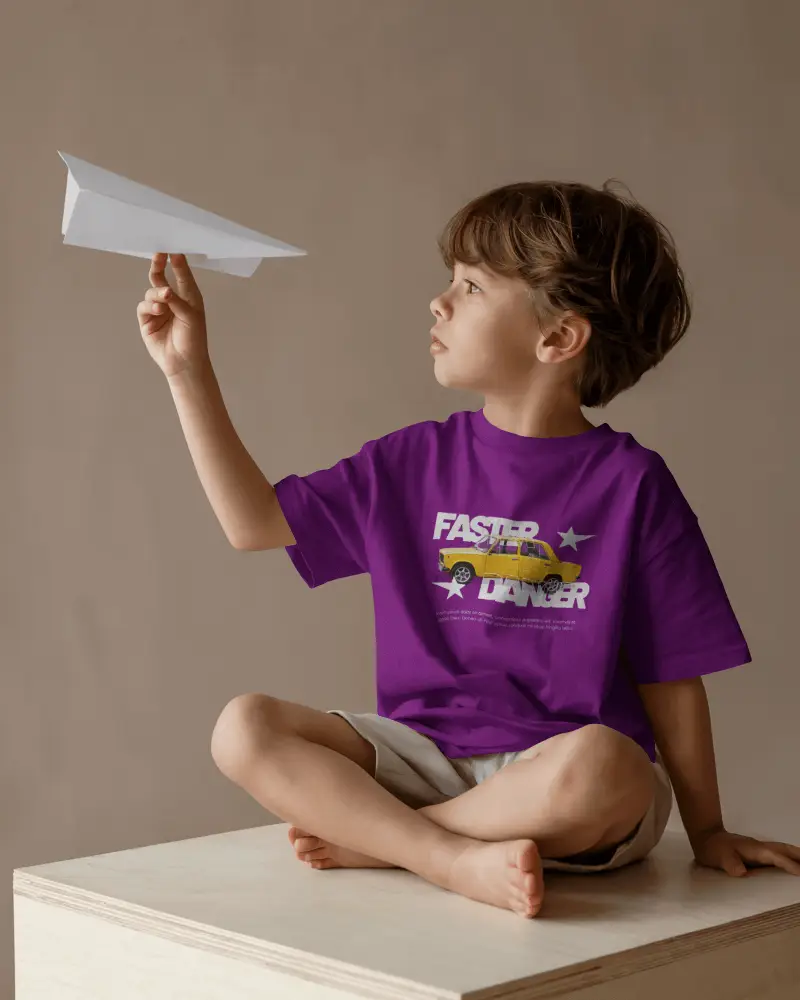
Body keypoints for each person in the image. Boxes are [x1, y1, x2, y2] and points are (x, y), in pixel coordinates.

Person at [136, 181, 800, 920]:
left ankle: (395, 844)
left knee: (609, 766)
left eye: (471, 286)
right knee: (244, 727)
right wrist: (185, 370)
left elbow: (672, 680)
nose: (438, 303)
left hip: (555, 777)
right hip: (421, 757)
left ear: (558, 340)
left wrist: (706, 830)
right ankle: (446, 855)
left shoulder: (633, 485)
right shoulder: (410, 462)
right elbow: (252, 523)